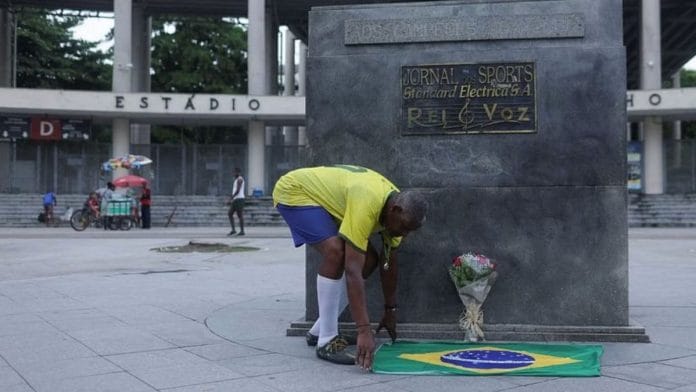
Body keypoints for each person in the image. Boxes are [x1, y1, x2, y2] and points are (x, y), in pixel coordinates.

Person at [272, 164, 427, 370]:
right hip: (295, 190)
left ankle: (319, 330)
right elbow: (352, 271)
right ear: (395, 210)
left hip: (326, 202)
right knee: (337, 252)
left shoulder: (395, 212)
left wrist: (390, 310)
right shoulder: (368, 201)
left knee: (369, 259)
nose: (404, 234)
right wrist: (364, 329)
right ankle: (326, 340)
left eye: (410, 231)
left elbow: (387, 262)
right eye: (404, 228)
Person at [227, 167, 245, 236]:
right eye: (233, 172)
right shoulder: (236, 179)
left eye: (235, 172)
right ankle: (233, 230)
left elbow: (238, 190)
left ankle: (242, 231)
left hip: (239, 199)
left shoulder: (240, 179)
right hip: (236, 199)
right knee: (230, 213)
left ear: (238, 172)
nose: (233, 174)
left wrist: (231, 198)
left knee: (240, 215)